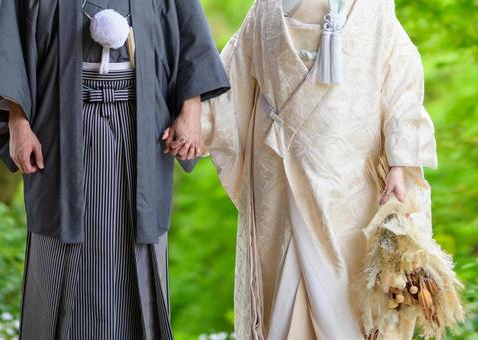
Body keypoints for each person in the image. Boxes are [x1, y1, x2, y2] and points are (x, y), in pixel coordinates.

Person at [164, 0, 437, 338]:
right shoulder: (265, 10)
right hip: (280, 180)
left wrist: (399, 164)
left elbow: (402, 84)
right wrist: (192, 123)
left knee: (347, 295)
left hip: (349, 182)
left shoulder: (373, 7)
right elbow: (229, 81)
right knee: (283, 289)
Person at [0, 0, 229, 338]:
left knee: (140, 246)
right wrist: (18, 124)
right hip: (59, 129)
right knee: (57, 244)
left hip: (141, 124)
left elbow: (190, 33)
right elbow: (11, 41)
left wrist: (191, 110)